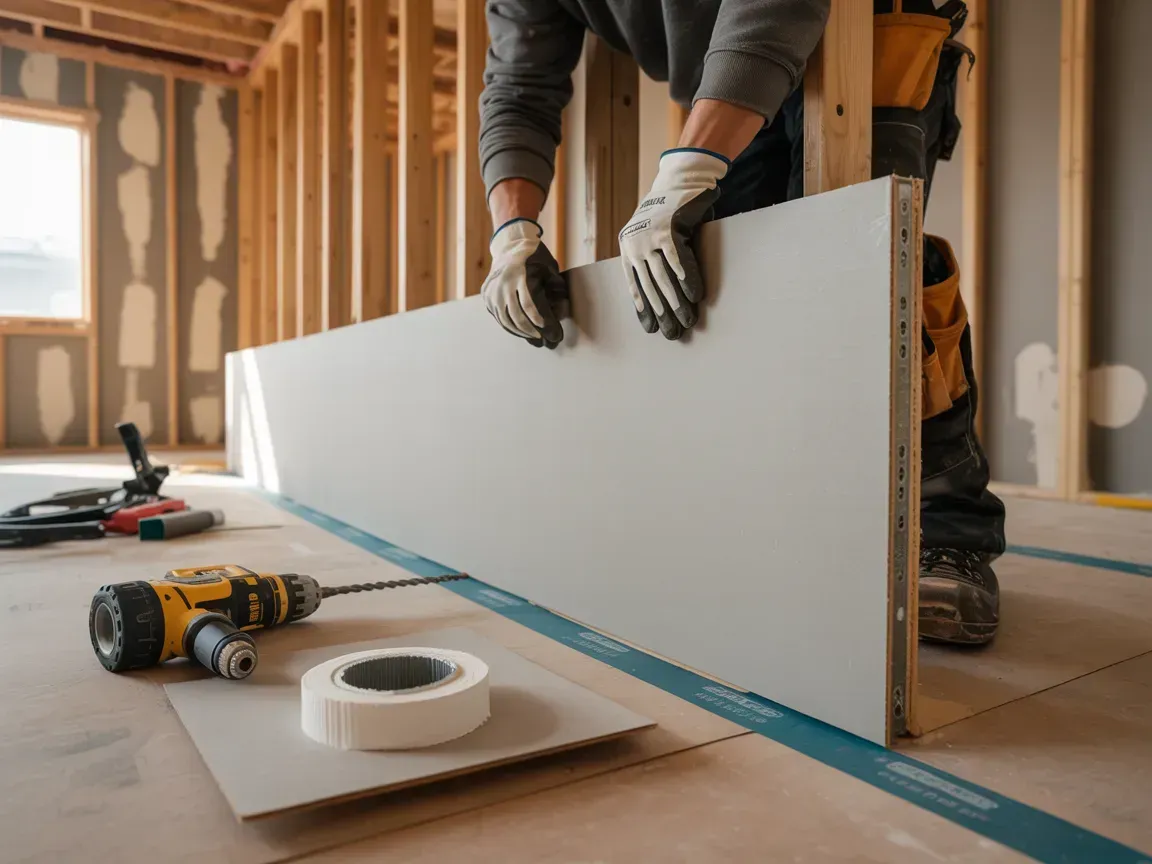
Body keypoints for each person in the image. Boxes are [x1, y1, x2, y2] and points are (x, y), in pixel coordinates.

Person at [476, 0, 1007, 645]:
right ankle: (794, 537)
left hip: (872, 22)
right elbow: (518, 87)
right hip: (728, 66)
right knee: (736, 284)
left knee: (868, 261)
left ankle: (948, 534)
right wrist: (512, 231)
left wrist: (692, 163)